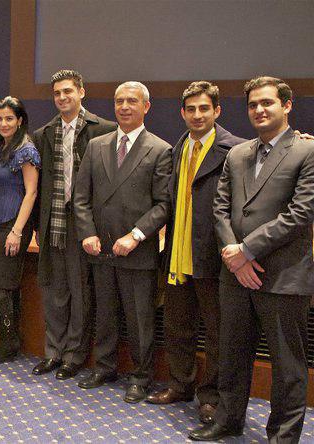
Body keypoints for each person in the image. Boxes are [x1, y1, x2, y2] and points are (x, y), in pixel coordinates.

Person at [189, 77, 314, 442]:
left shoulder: (307, 151)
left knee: (287, 367)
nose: (259, 110)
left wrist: (246, 250)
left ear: (286, 106)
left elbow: (300, 213)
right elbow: (220, 209)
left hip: (282, 276)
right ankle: (227, 421)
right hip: (235, 276)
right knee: (232, 354)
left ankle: (283, 436)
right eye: (253, 104)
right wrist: (234, 256)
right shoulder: (238, 154)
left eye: (267, 103)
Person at [145, 82, 244, 423]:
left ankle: (211, 398)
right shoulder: (178, 149)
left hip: (213, 258)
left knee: (217, 334)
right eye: (191, 109)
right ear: (182, 113)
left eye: (204, 108)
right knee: (178, 327)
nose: (197, 115)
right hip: (177, 254)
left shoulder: (236, 150)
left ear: (217, 111)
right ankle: (180, 385)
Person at [74, 82, 172, 403]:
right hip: (100, 248)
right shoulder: (97, 146)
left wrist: (136, 235)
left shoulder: (160, 149)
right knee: (105, 313)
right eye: (119, 101)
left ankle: (141, 377)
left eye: (132, 101)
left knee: (139, 319)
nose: (125, 106)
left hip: (137, 251)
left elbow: (163, 204)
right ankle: (105, 367)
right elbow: (81, 197)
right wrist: (87, 232)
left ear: (146, 106)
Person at [32, 69, 116, 379]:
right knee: (56, 292)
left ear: (81, 92)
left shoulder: (103, 130)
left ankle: (74, 355)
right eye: (57, 93)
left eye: (68, 91)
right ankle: (53, 352)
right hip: (53, 221)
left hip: (85, 225)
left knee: (81, 294)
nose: (62, 97)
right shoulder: (44, 134)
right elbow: (38, 186)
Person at [0, 96, 40, 364]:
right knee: (4, 285)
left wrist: (17, 231)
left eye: (9, 118)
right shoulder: (0, 147)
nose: (3, 123)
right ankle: (10, 341)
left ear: (20, 120)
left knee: (0, 285)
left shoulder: (26, 150)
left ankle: (8, 344)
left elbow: (31, 192)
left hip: (14, 224)